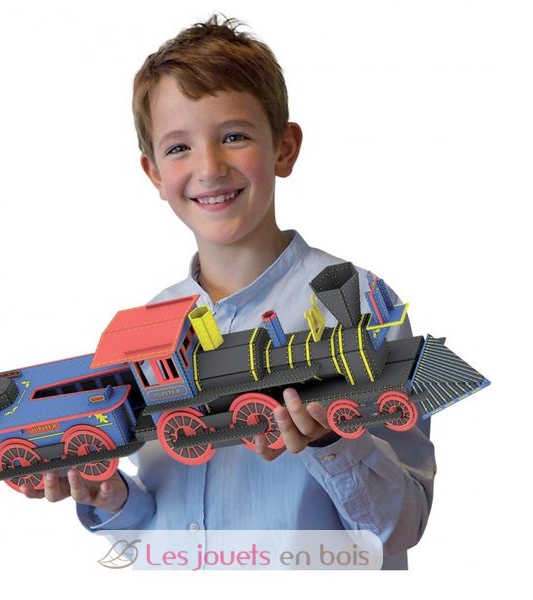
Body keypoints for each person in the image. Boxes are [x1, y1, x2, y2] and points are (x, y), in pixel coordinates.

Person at [21, 15, 436, 570]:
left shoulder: (360, 301)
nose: (209, 167)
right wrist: (113, 498)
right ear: (153, 172)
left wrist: (332, 443)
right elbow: (162, 527)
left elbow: (401, 528)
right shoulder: (152, 319)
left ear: (284, 148)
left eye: (234, 137)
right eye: (179, 147)